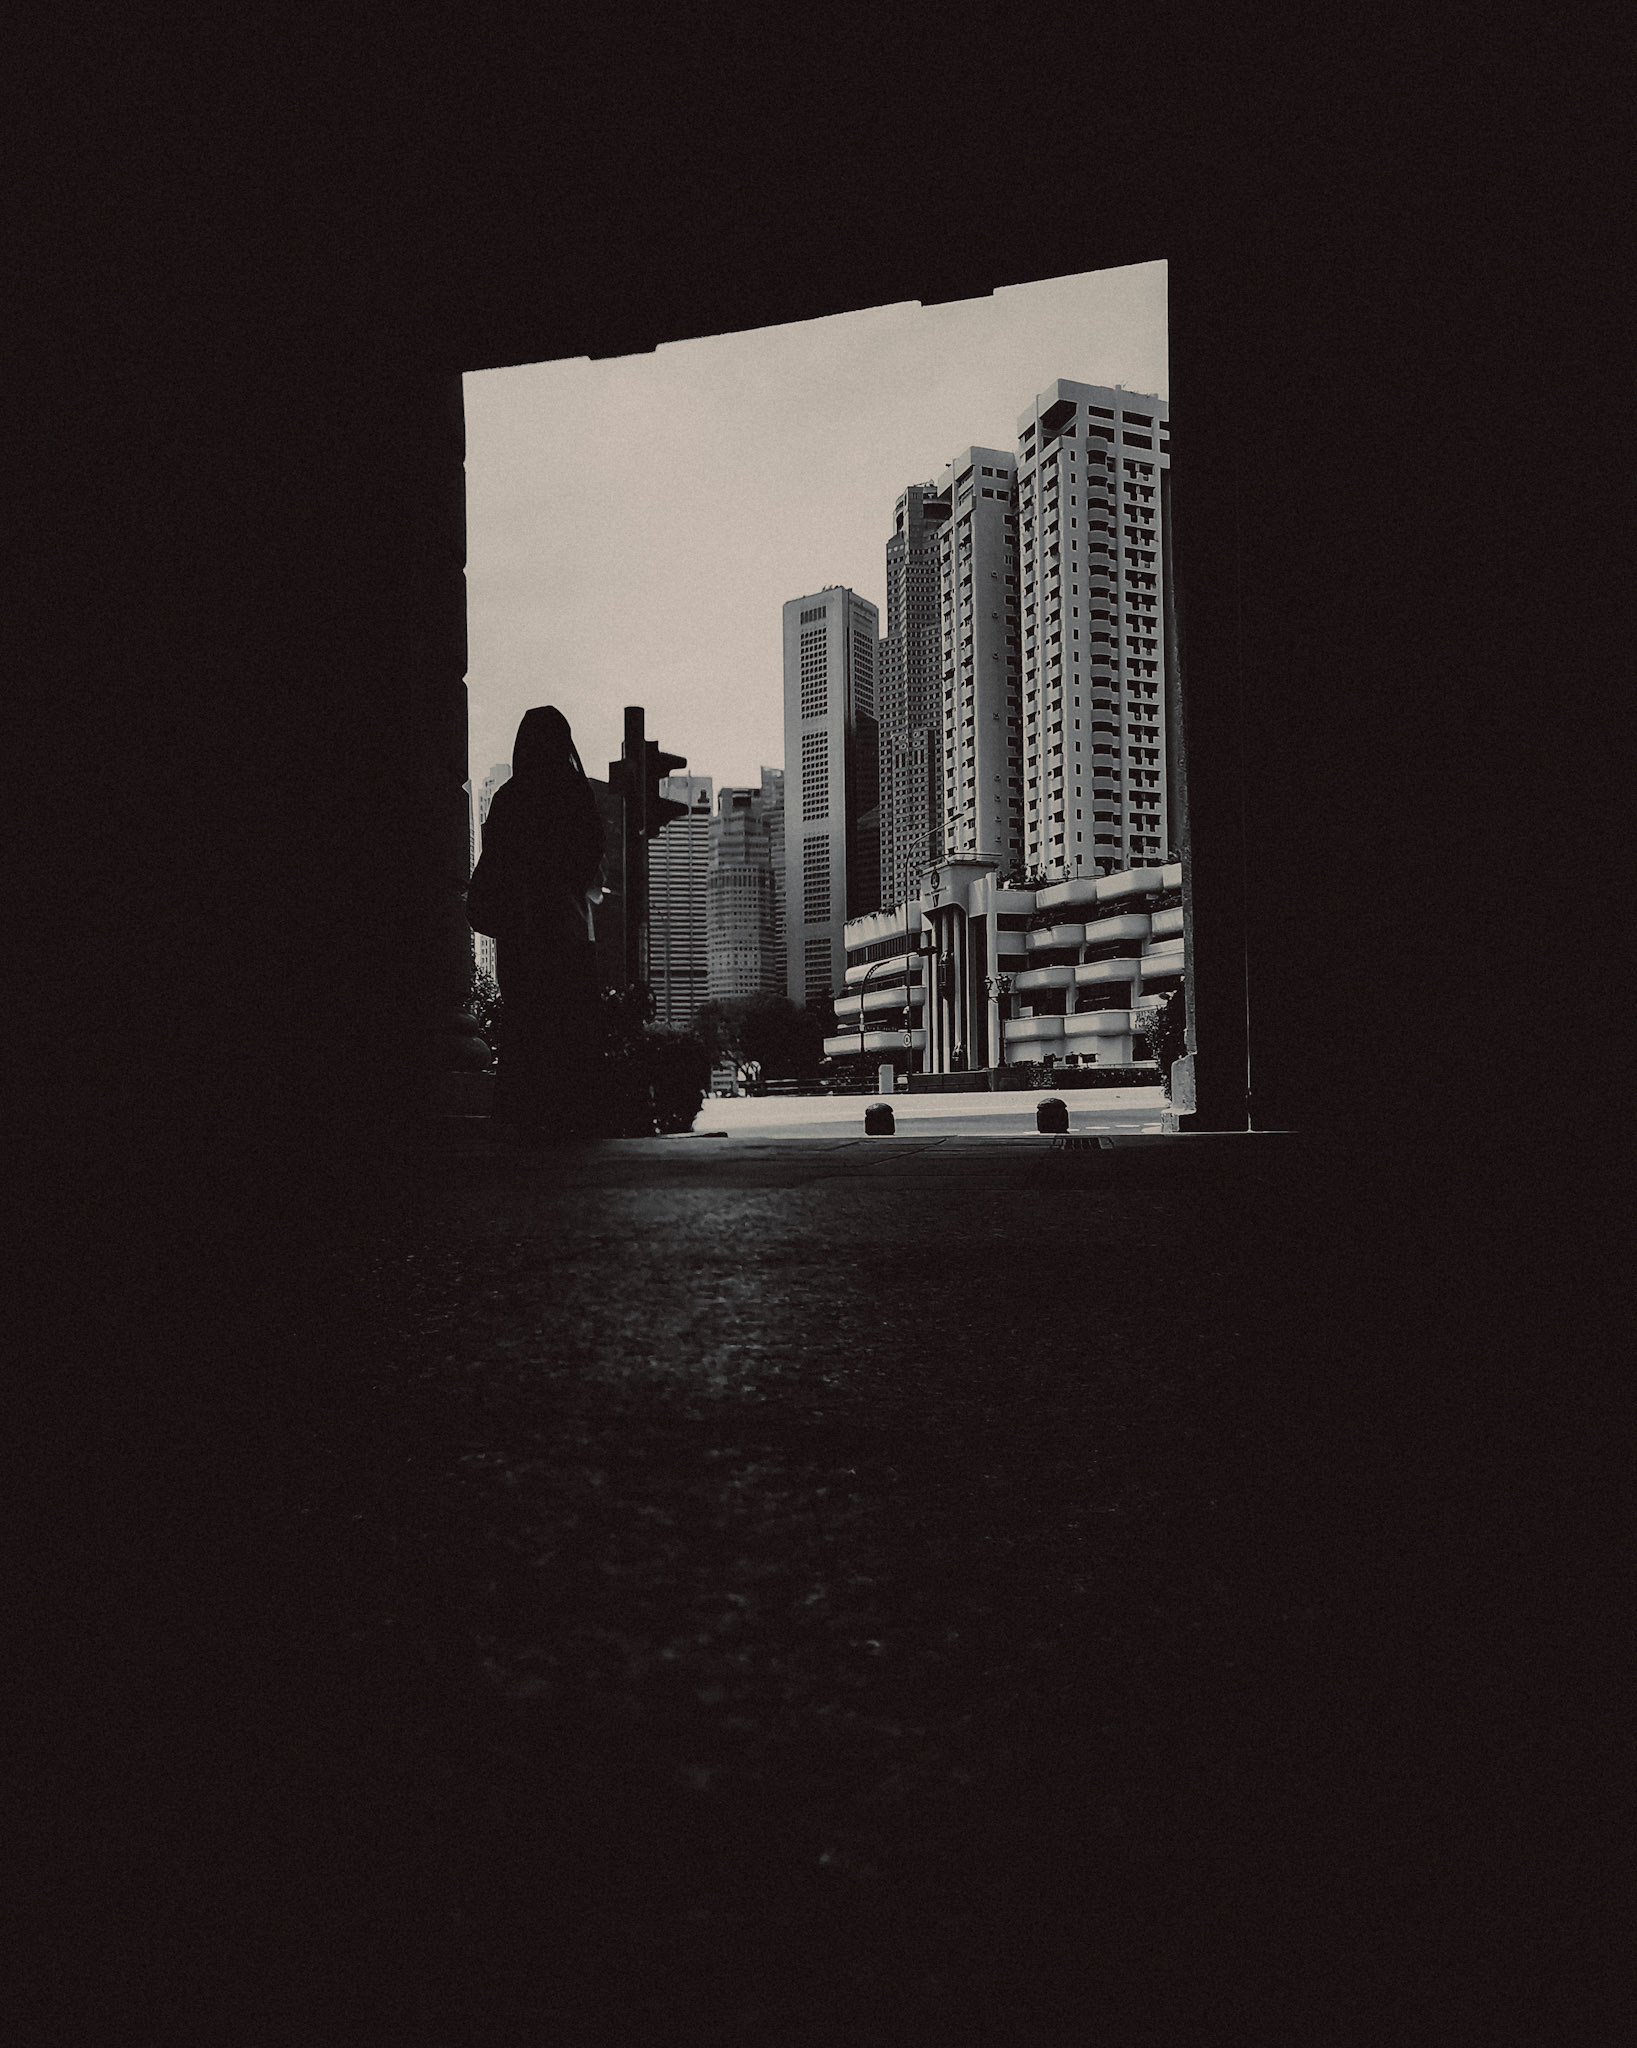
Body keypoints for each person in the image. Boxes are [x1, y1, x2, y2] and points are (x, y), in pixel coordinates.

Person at [467, 706, 605, 1142]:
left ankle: (522, 1121)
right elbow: (590, 867)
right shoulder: (576, 794)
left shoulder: (510, 797)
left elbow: (494, 870)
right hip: (569, 931)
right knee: (572, 1032)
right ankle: (575, 1120)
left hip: (521, 936)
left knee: (525, 1028)